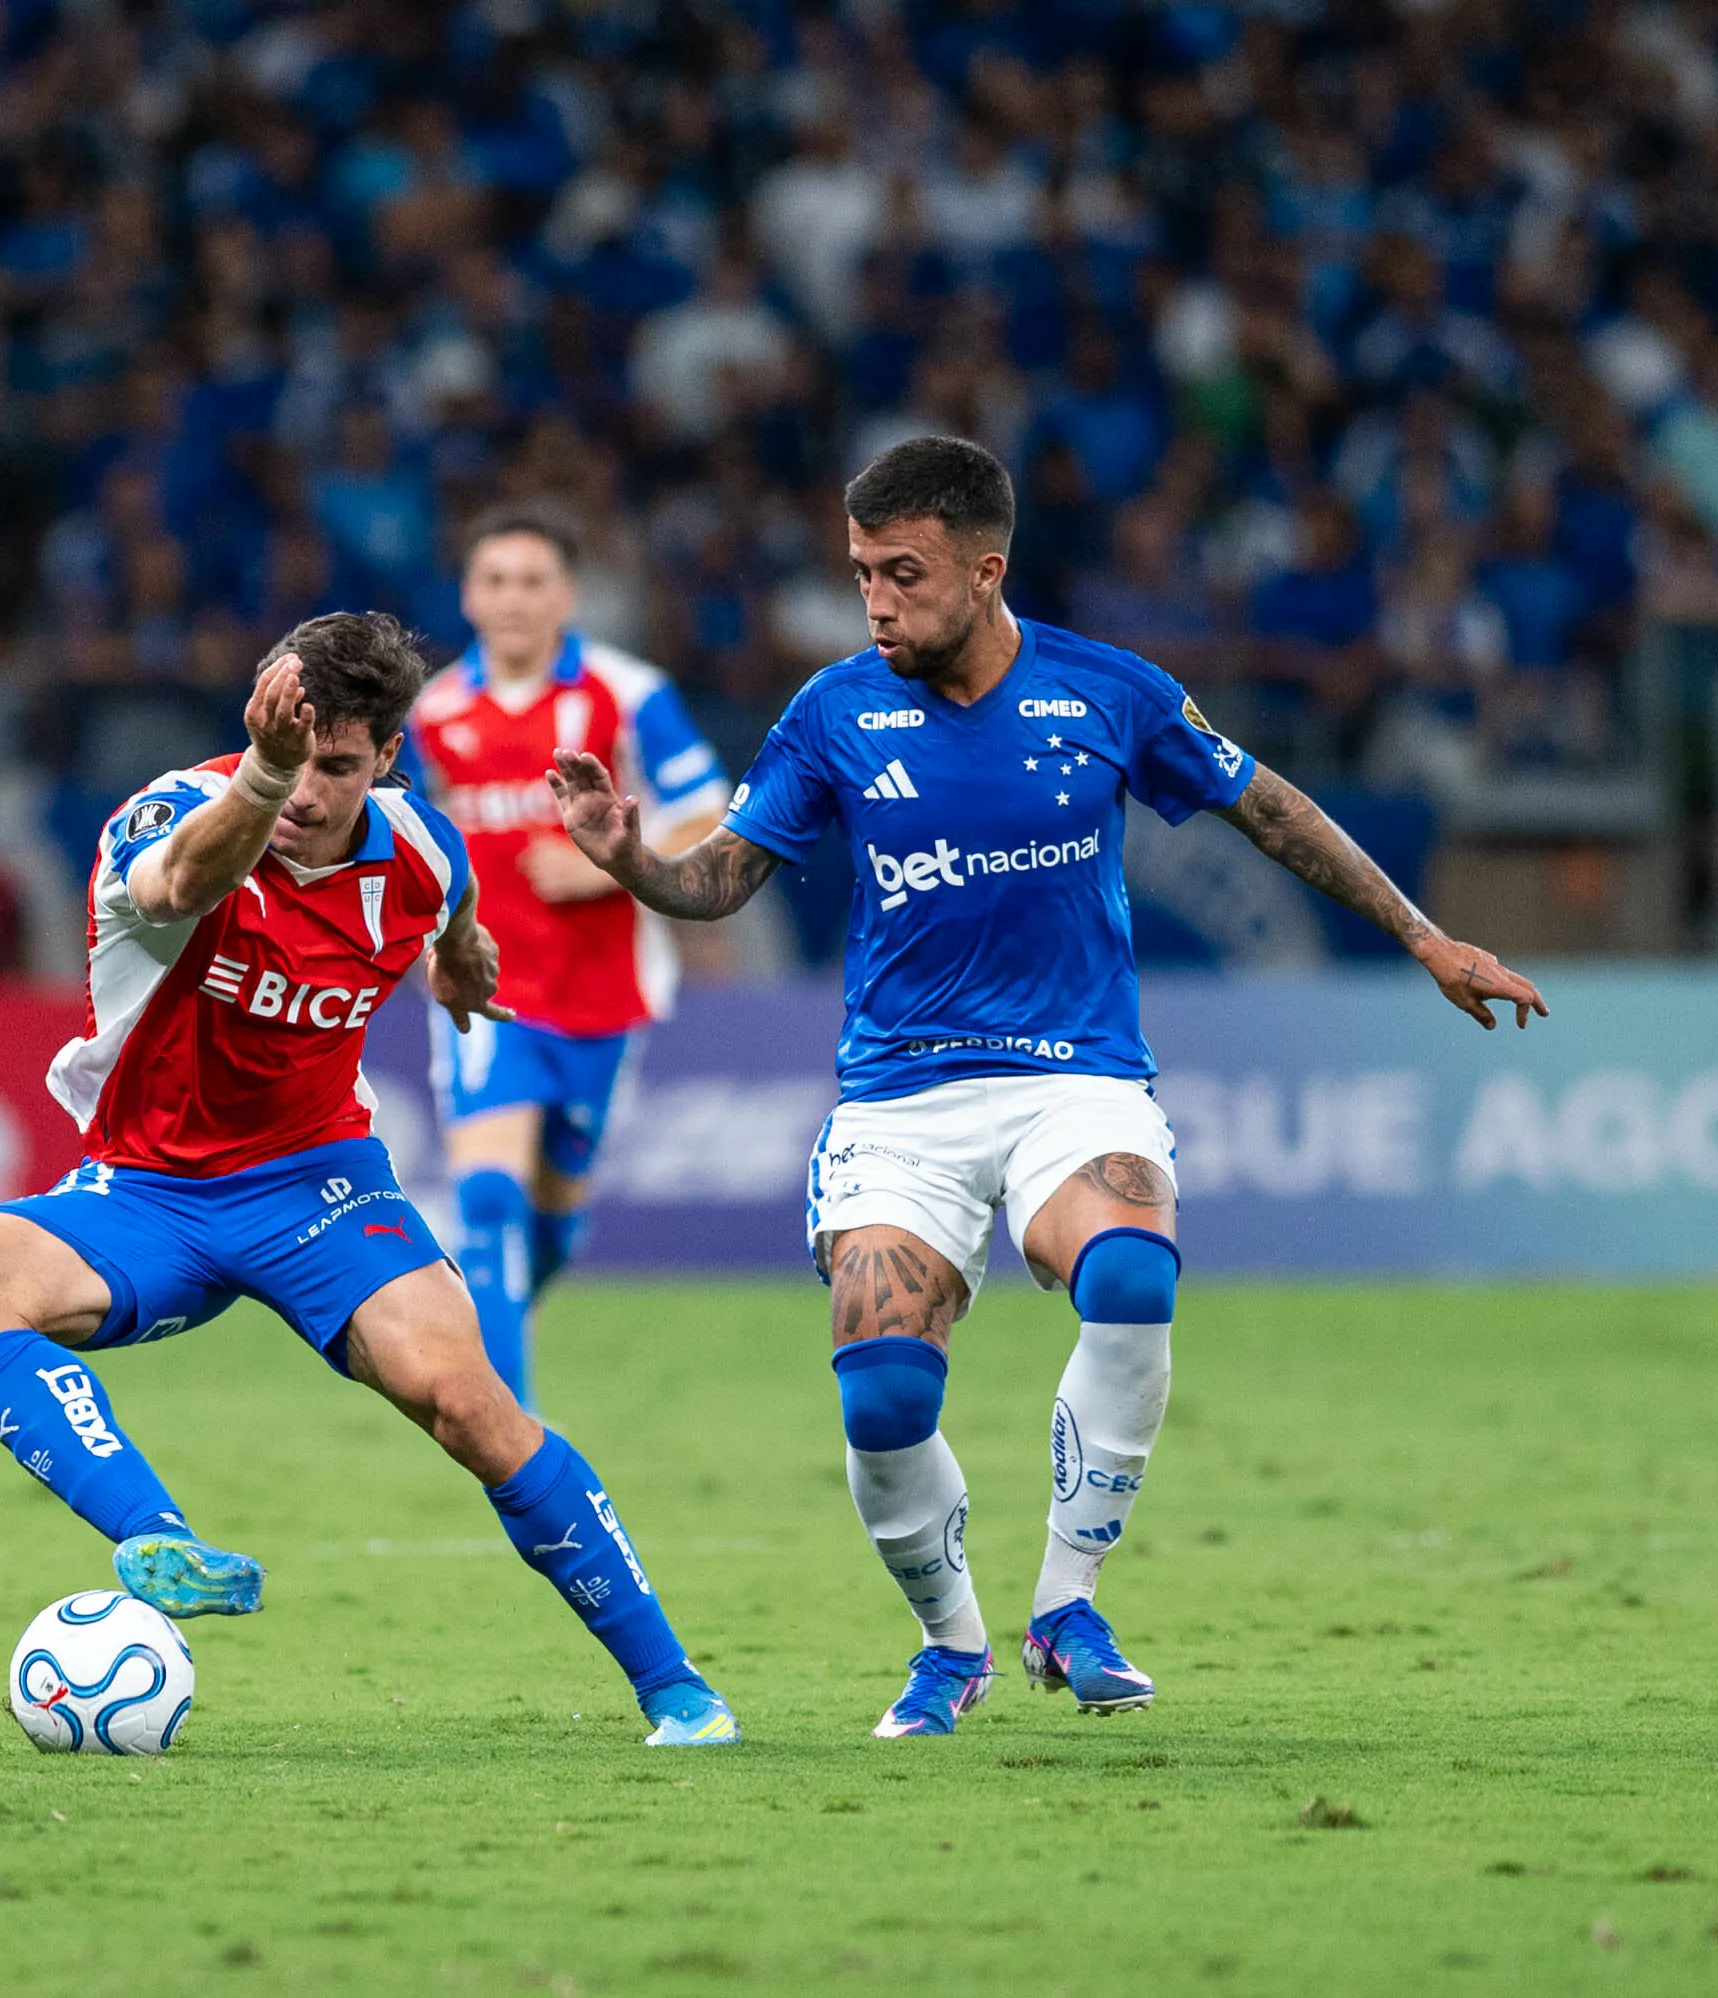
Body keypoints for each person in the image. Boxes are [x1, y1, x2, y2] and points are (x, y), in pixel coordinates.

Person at [549, 438, 1544, 1738]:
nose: (876, 602)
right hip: (898, 1099)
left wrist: (1422, 935)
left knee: (1132, 1274)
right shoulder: (835, 711)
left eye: (903, 574)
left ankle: (1067, 1606)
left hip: (1074, 1078)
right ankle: (951, 1643)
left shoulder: (1110, 692)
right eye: (861, 574)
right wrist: (633, 862)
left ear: (986, 570)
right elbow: (723, 877)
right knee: (885, 1394)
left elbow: (1271, 809)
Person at [0, 613, 744, 1747]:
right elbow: (177, 885)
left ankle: (678, 1690)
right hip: (146, 1190)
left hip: (318, 1187)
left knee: (472, 1406)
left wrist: (462, 962)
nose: (304, 792)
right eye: (287, 756)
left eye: (336, 766)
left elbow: (454, 903)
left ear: (387, 757)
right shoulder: (171, 814)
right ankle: (157, 1537)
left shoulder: (421, 849)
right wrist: (262, 771)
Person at [407, 504, 730, 1408]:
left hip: (602, 995)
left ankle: (512, 1310)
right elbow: (412, 840)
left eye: (532, 581)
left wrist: (611, 865)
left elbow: (710, 815)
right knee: (488, 1200)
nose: (513, 599)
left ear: (567, 595)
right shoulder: (434, 712)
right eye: (495, 581)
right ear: (468, 597)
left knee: (551, 1222)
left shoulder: (629, 695)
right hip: (487, 993)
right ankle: (508, 1436)